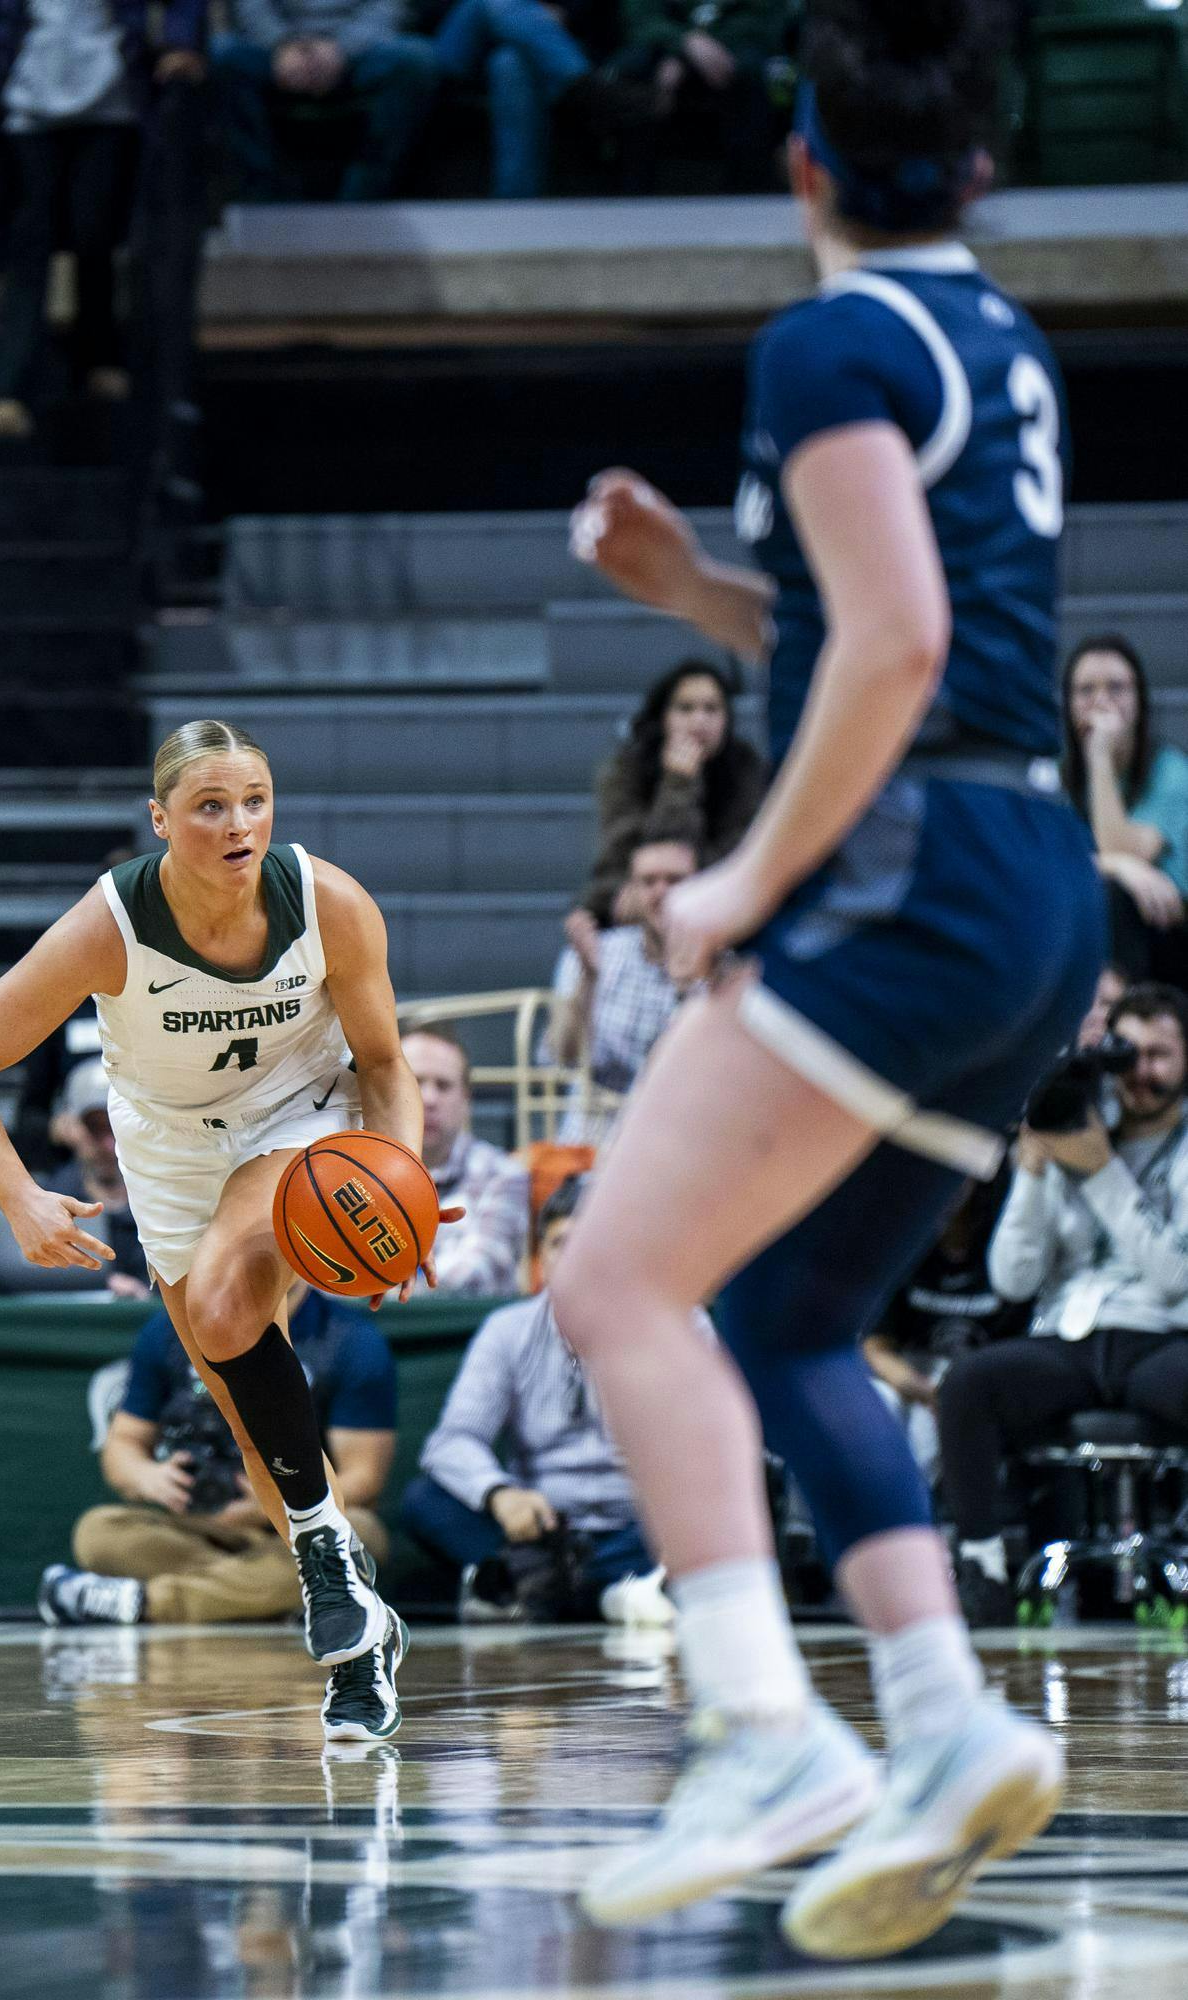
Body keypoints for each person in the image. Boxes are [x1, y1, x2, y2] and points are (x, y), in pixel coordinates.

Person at [549, 0, 1104, 1958]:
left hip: (908, 860)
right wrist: (691, 596)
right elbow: (879, 617)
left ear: (800, 166)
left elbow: (886, 651)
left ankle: (762, 1726)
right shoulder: (993, 338)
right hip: (1030, 876)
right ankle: (943, 1724)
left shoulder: (824, 337)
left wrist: (735, 885)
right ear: (970, 168)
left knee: (607, 1280)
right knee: (788, 1316)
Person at [0, 717, 459, 1745]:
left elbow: (386, 1061)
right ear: (161, 819)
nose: (236, 823)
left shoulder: (328, 902)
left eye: (253, 800)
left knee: (220, 1298)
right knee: (249, 1411)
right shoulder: (110, 922)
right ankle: (357, 1633)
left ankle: (322, 1570)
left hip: (300, 1116)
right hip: (168, 1149)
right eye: (210, 805)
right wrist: (21, 1198)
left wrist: (406, 1186)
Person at [940, 982, 1188, 1624]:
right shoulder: (1074, 1128)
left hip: (1162, 1336)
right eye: (1126, 1053)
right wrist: (1032, 1168)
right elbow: (1013, 1282)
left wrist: (1103, 1173)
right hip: (1074, 1336)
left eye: (1160, 1054)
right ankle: (984, 1567)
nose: (1142, 1072)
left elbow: (1175, 1277)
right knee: (969, 1383)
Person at [40, 1278, 397, 1654]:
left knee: (363, 1536)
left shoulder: (350, 1340)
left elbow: (364, 1476)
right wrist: (147, 1477)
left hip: (289, 1527)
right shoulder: (170, 1326)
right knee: (98, 1531)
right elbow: (123, 1444)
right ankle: (269, 1596)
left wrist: (271, 1504)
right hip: (194, 1521)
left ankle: (147, 1603)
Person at [402, 1174, 669, 1624]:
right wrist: (500, 1494)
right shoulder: (508, 1330)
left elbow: (711, 1447)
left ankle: (542, 1590)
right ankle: (610, 1591)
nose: (575, 1258)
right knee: (424, 1500)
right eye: (560, 1243)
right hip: (540, 1531)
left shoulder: (675, 1324)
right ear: (540, 1257)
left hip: (641, 1525)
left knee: (754, 1484)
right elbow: (451, 1442)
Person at [0, 0, 208, 442]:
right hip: (27, 99)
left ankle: (98, 360)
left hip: (111, 96)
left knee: (95, 236)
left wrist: (181, 44)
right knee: (27, 244)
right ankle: (9, 390)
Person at [564, 659, 766, 975]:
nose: (699, 721)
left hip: (715, 904)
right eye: (685, 709)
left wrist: (682, 784)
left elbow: (729, 859)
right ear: (663, 718)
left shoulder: (746, 773)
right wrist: (677, 785)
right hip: (632, 895)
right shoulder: (625, 771)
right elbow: (625, 856)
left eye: (712, 709)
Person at [863, 1171, 1025, 1488]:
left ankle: (921, 1523)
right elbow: (874, 1349)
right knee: (880, 1406)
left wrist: (953, 1392)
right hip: (912, 1375)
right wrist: (923, 1389)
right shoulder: (901, 1242)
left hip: (979, 1377)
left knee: (935, 1430)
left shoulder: (1005, 1244)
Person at [210, 0, 438, 203]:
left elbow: (389, 7)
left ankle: (360, 200)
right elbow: (251, 7)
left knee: (415, 60)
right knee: (221, 53)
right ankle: (265, 199)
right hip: (275, 51)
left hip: (360, 52)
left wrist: (342, 49)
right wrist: (281, 43)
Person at [429, 0, 653, 200]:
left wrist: (558, 14)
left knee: (510, 64)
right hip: (459, 48)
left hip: (530, 49)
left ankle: (516, 212)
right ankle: (583, 84)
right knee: (495, 3)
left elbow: (592, 16)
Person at [1060, 635, 1188, 987]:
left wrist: (1099, 757)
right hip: (1085, 928)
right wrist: (1115, 864)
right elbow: (1043, 865)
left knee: (1114, 894)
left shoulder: (1171, 772)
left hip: (1166, 931)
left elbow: (1122, 848)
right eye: (1086, 690)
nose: (1101, 701)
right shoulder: (1055, 777)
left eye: (1116, 687)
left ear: (1139, 700)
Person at [550, 835, 695, 1144]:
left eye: (676, 880)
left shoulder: (726, 967)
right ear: (630, 892)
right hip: (595, 1145)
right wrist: (589, 979)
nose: (662, 892)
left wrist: (688, 989)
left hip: (685, 1145)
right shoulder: (595, 954)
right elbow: (563, 1055)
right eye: (648, 881)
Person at [401, 1024, 529, 1295]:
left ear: (466, 1099)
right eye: (416, 1081)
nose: (429, 1098)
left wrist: (376, 1284)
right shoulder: (355, 1171)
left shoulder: (503, 1174)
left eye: (444, 1086)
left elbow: (477, 1275)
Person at [614, 0, 785, 193]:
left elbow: (763, 22)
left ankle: (749, 194)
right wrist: (683, 44)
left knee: (753, 73)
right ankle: (632, 193)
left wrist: (696, 53)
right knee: (634, 73)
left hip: (733, 50)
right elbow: (640, 19)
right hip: (664, 51)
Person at [48, 1057, 151, 1297]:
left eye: (117, 1125)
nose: (108, 1143)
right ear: (69, 1128)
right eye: (95, 1128)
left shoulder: (170, 1195)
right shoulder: (53, 1200)